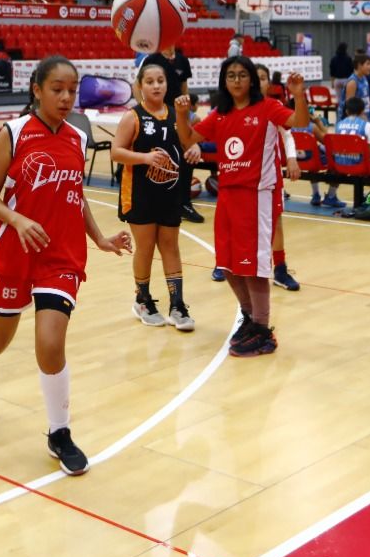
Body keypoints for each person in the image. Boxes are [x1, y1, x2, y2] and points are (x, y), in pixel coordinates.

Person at [0, 57, 131, 476]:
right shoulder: (14, 133)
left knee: (50, 343)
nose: (65, 97)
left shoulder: (78, 138)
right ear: (37, 90)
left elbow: (75, 198)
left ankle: (59, 432)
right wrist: (18, 219)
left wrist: (99, 238)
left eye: (72, 90)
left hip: (61, 256)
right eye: (57, 89)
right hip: (14, 251)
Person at [174, 56, 308, 358]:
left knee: (255, 264)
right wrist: (181, 115)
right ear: (224, 80)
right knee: (228, 261)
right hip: (228, 195)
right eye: (231, 75)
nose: (236, 80)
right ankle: (249, 317)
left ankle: (263, 329)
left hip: (257, 195)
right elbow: (188, 139)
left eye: (242, 75)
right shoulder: (220, 114)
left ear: (251, 80)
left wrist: (299, 94)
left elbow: (299, 122)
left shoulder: (267, 108)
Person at [112, 59, 199, 331]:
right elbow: (116, 152)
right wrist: (145, 157)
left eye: (160, 81)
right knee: (146, 247)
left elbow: (190, 141)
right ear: (140, 87)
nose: (156, 85)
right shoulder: (133, 117)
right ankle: (143, 300)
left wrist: (195, 149)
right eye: (149, 82)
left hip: (170, 193)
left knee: (171, 246)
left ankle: (177, 304)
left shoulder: (176, 115)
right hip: (140, 193)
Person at [141, 46, 203, 224]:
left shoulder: (182, 61)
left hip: (177, 115)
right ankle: (155, 202)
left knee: (186, 154)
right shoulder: (151, 59)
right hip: (156, 114)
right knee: (156, 156)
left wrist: (187, 114)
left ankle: (184, 203)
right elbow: (138, 85)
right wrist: (144, 110)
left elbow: (184, 89)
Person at [256, 62, 303, 292]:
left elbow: (288, 135)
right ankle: (226, 263)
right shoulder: (235, 108)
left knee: (276, 222)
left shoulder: (273, 106)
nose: (258, 81)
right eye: (254, 77)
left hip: (270, 176)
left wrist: (292, 159)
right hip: (243, 176)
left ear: (268, 83)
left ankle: (280, 269)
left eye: (263, 77)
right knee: (240, 222)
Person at [324, 97, 370, 208]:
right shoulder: (367, 126)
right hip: (359, 166)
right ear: (363, 111)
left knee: (343, 157)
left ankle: (331, 195)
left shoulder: (338, 125)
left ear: (346, 111)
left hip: (339, 165)